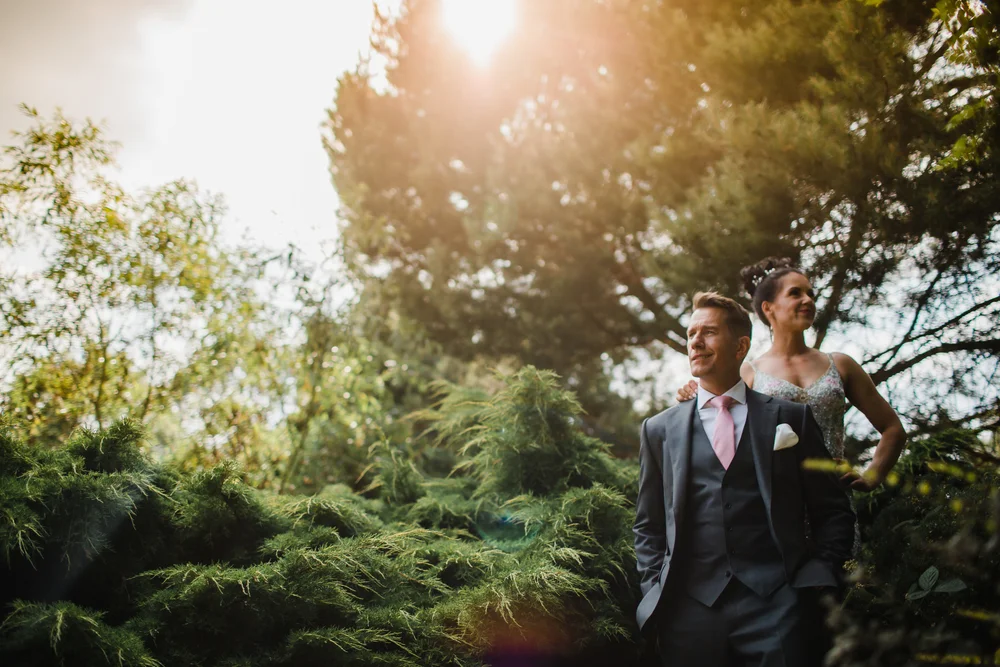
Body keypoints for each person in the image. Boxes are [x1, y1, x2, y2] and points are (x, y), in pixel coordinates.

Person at [634, 291, 855, 666]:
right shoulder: (658, 430)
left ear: (740, 346)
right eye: (691, 335)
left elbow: (832, 510)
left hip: (779, 605)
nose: (696, 343)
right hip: (689, 611)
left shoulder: (792, 419)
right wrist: (655, 586)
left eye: (708, 333)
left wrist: (817, 578)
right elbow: (648, 524)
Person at [675, 258, 907, 491]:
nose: (807, 300)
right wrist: (691, 394)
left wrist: (872, 476)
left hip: (834, 502)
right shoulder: (747, 373)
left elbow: (893, 428)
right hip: (773, 507)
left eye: (811, 294)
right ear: (768, 308)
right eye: (795, 293)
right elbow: (719, 432)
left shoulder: (841, 364)